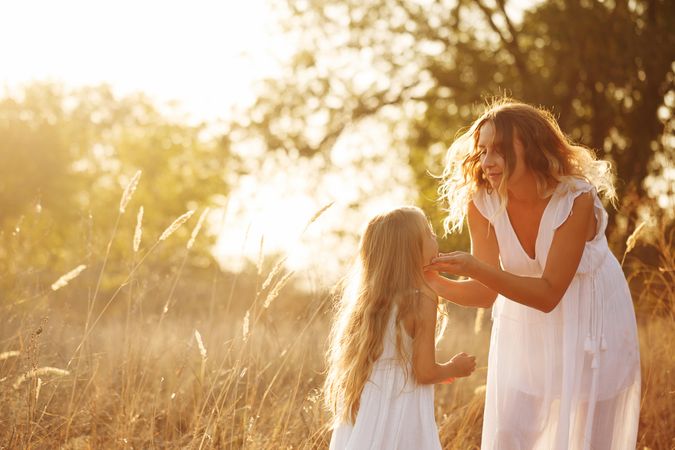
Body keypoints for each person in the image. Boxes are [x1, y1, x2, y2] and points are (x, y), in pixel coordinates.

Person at [425, 100, 641, 450]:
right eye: (482, 151)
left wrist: (476, 268)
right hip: (521, 315)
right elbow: (485, 293)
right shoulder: (482, 201)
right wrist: (431, 281)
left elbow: (548, 293)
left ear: (533, 147)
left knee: (584, 433)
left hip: (589, 317)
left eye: (500, 150)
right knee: (511, 429)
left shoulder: (575, 199)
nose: (488, 161)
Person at [325, 206, 477, 450]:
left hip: (369, 402)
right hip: (402, 404)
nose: (435, 237)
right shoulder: (422, 299)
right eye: (428, 233)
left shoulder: (367, 302)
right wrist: (454, 368)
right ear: (410, 250)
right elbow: (424, 372)